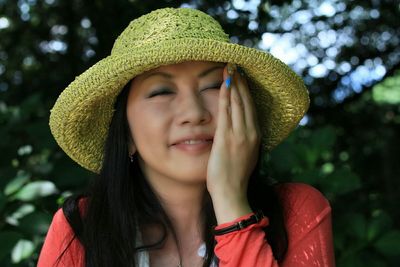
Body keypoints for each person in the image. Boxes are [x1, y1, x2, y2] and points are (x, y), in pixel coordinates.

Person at [37, 7, 335, 267]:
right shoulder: (81, 228)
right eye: (161, 92)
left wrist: (231, 202)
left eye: (213, 86)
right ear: (125, 133)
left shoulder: (297, 210)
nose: (194, 112)